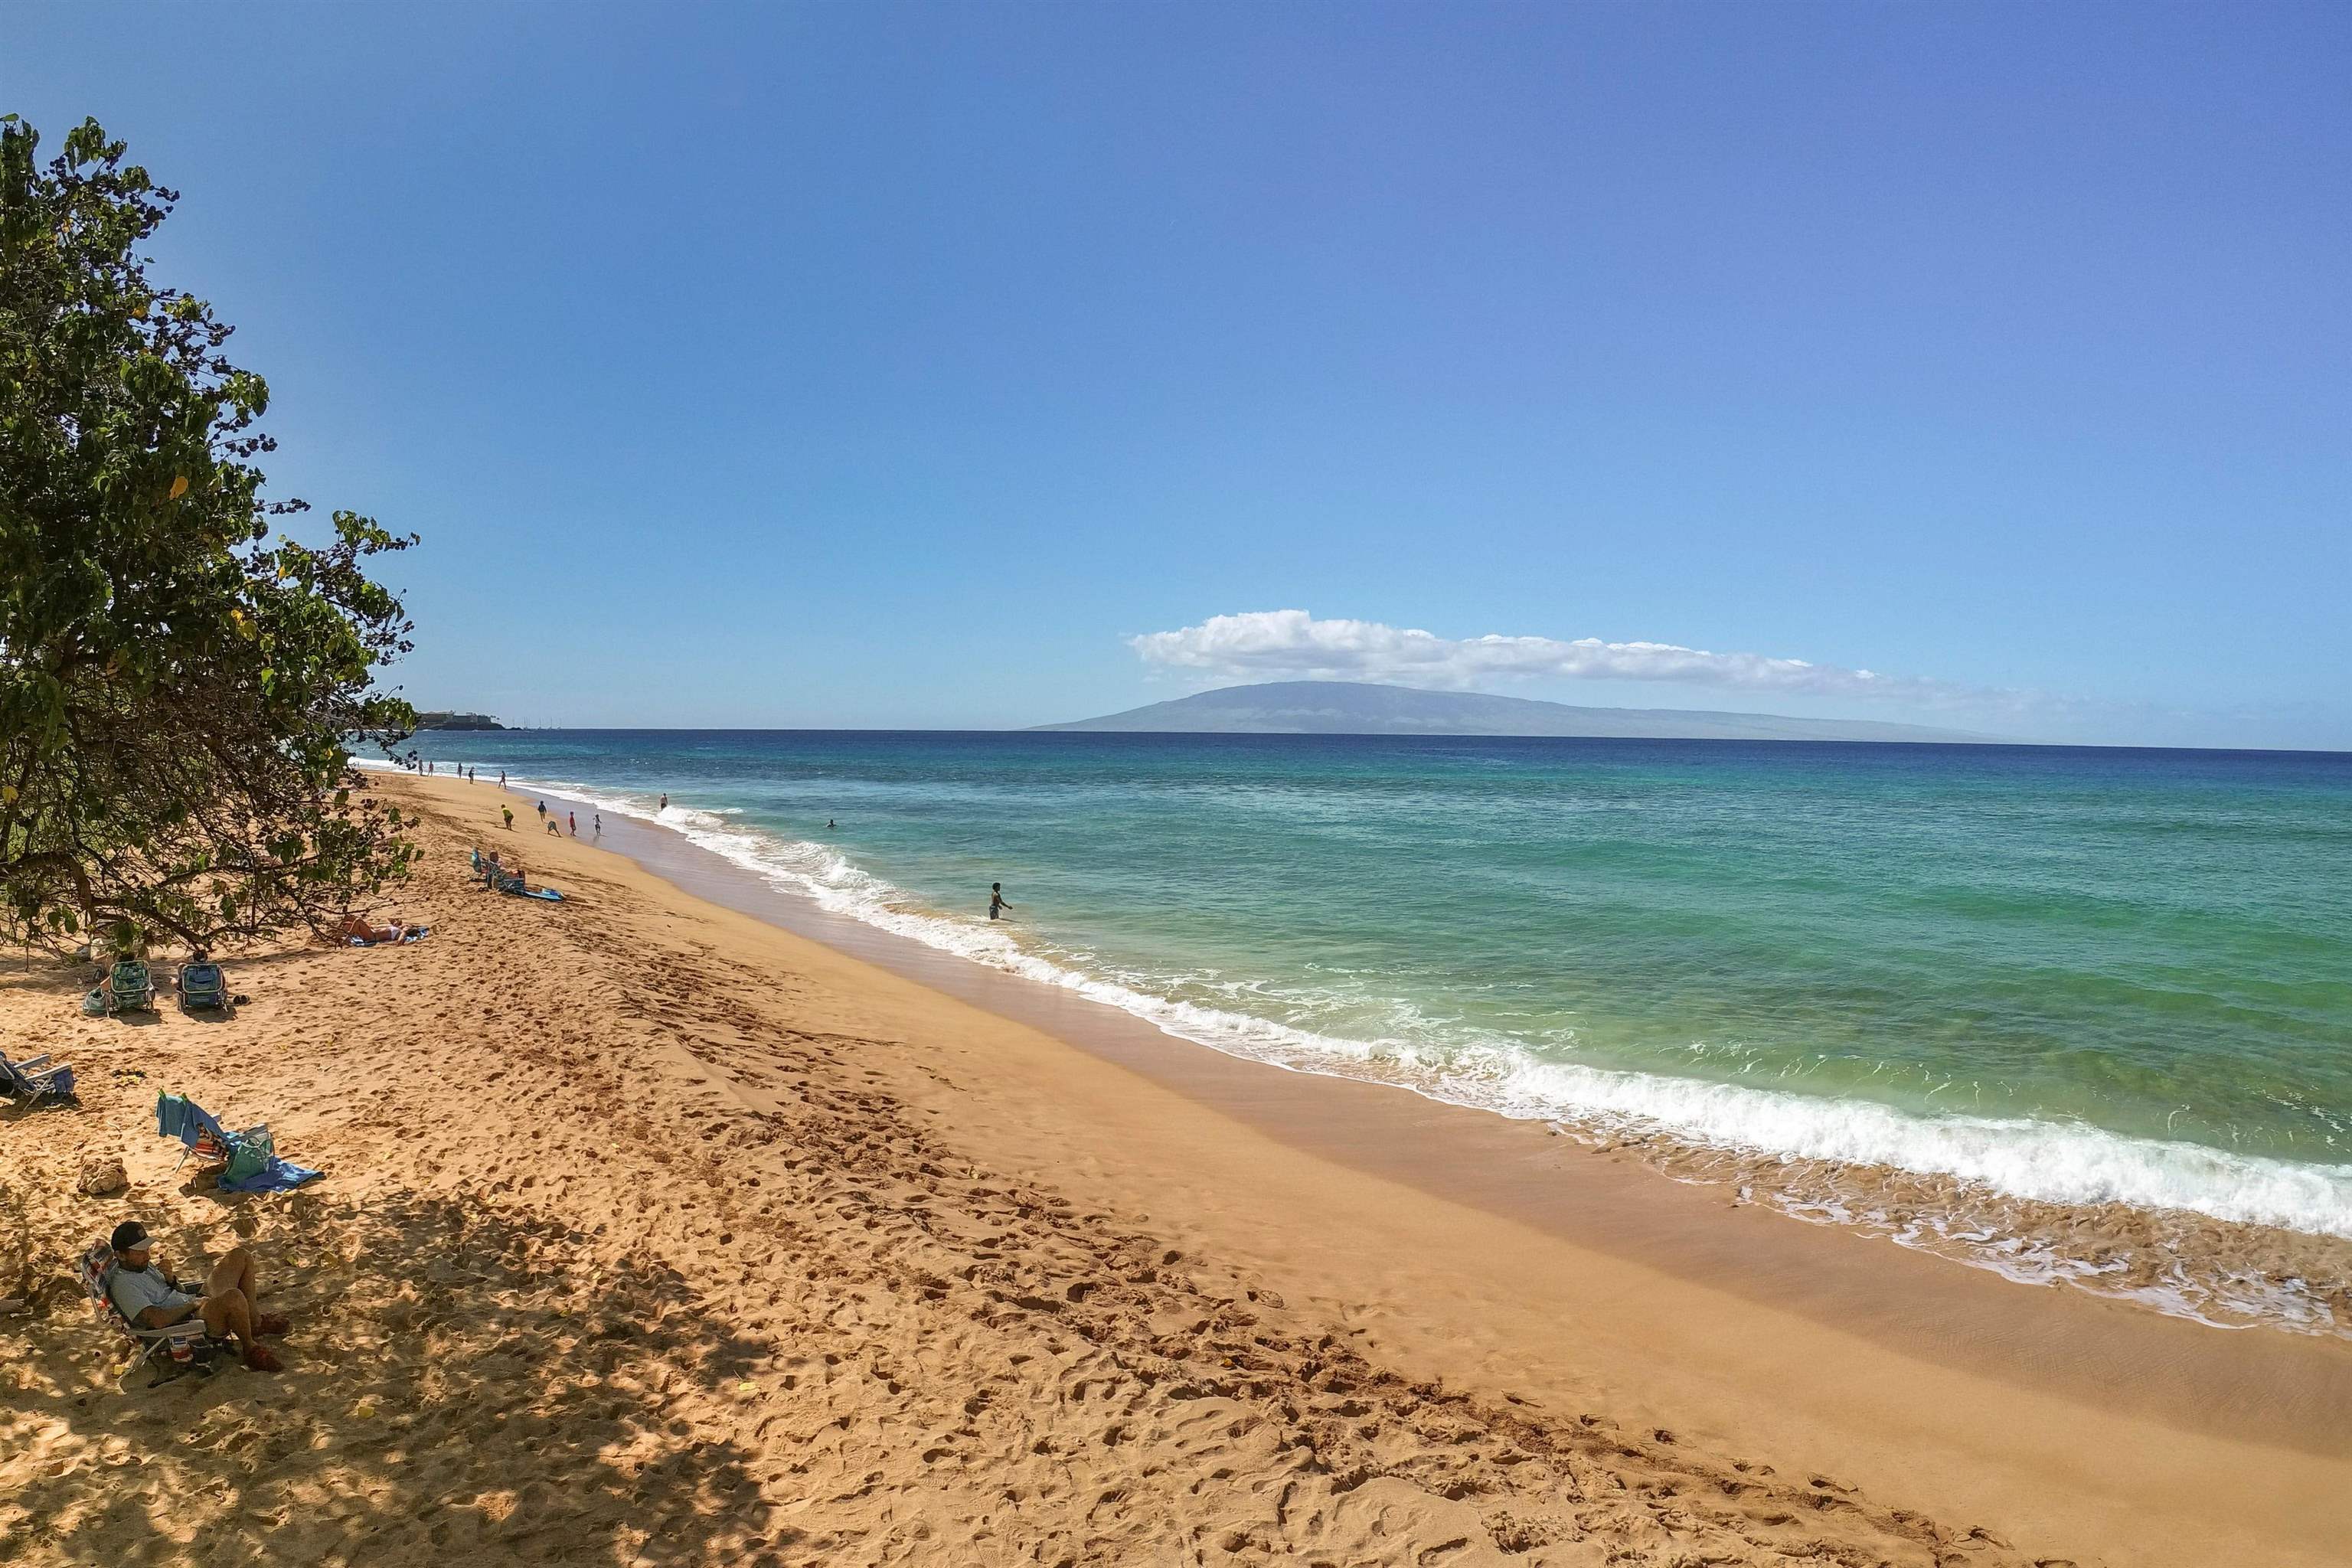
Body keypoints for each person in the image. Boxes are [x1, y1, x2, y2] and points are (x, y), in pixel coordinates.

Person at [105, 1220, 287, 1372]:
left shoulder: (140, 1265)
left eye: (147, 1250)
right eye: (140, 1252)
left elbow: (175, 1291)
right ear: (120, 1255)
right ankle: (250, 1348)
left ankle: (254, 1323)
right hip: (187, 1321)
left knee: (241, 1256)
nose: (147, 1256)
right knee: (234, 1297)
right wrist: (192, 1305)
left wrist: (171, 1279)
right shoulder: (124, 1285)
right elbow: (158, 1320)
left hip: (193, 1303)